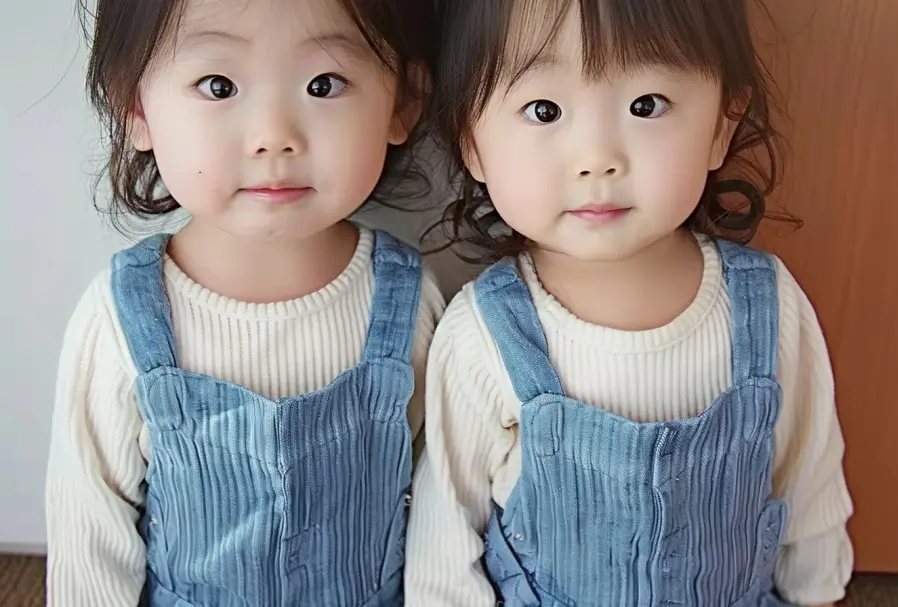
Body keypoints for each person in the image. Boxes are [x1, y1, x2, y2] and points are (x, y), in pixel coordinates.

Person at [406, 0, 852, 605]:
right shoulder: (482, 332)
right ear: (472, 144)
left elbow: (809, 472)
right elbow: (447, 523)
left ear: (722, 124)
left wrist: (817, 588)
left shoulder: (765, 306)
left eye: (647, 105)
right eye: (544, 111)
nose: (598, 158)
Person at [45, 0, 443, 604]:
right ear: (136, 106)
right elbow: (89, 536)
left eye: (324, 83)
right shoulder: (121, 317)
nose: (273, 137)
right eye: (218, 85)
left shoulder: (413, 303)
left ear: (403, 101)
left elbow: (442, 513)